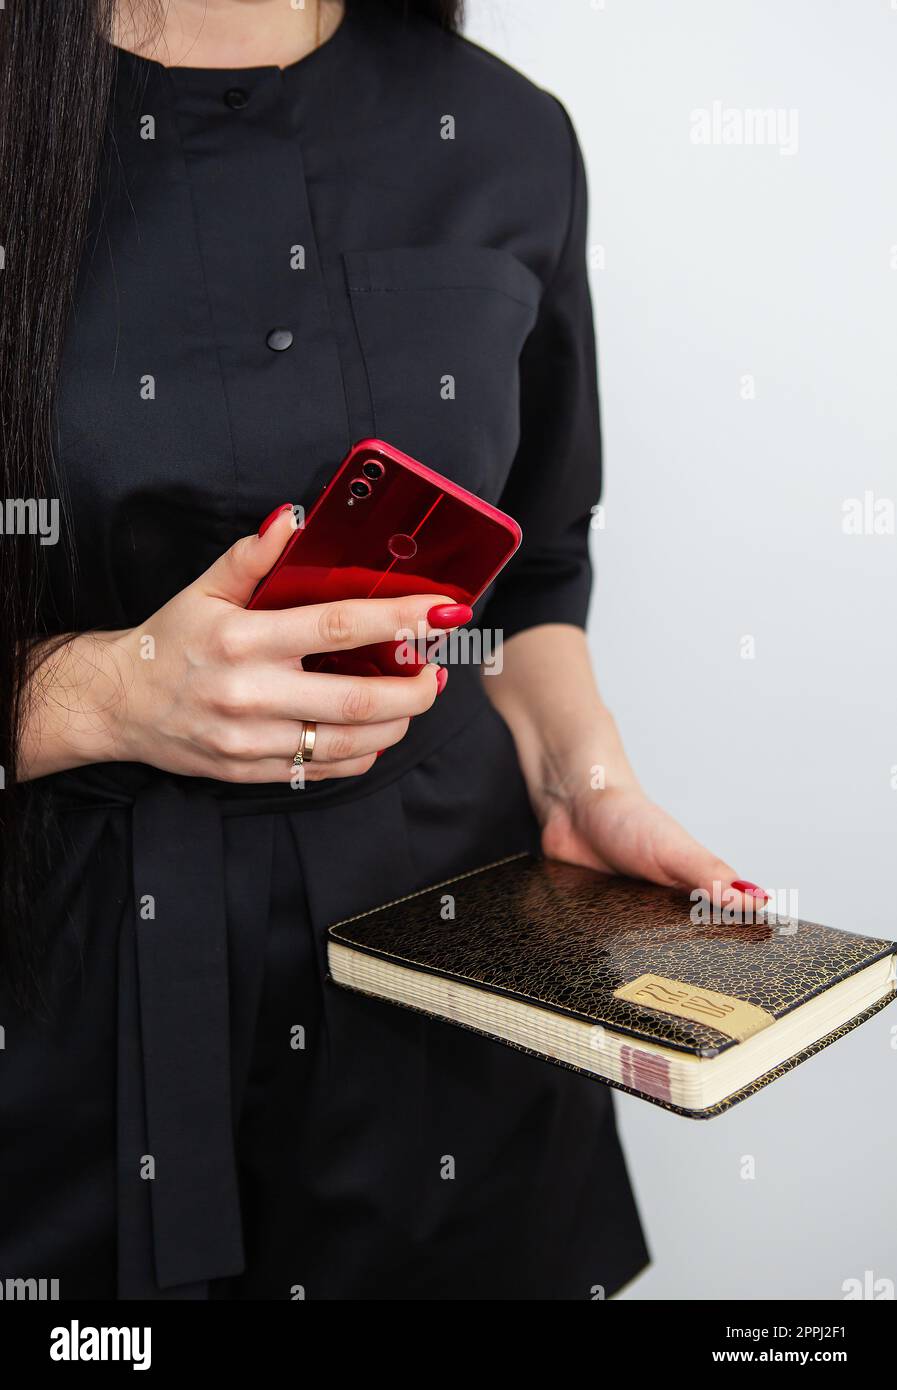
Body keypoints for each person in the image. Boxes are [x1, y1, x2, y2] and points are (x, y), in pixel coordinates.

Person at [0, 0, 766, 1299]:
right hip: (62, 1015)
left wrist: (585, 782)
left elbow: (528, 573)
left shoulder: (508, 133)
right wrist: (95, 694)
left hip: (441, 992)